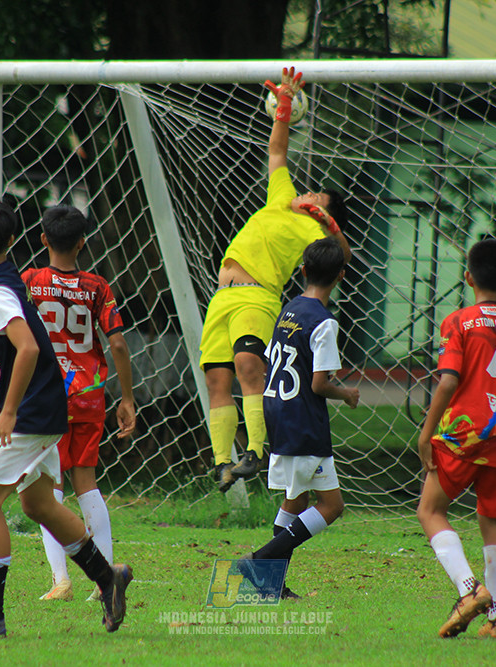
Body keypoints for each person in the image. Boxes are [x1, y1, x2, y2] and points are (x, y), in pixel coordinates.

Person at [0, 198, 132, 637]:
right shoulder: (11, 280)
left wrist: (9, 412)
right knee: (38, 504)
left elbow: (29, 348)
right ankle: (108, 578)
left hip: (33, 413)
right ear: (13, 240)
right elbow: (13, 342)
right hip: (54, 407)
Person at [201, 66, 353, 492]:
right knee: (216, 379)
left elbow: (345, 256)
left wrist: (328, 222)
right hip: (222, 297)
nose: (309, 193)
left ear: (323, 212)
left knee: (249, 366)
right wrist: (282, 111)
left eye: (318, 196)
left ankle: (255, 452)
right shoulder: (281, 197)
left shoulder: (316, 230)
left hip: (256, 297)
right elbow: (277, 153)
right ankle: (222, 463)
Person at [415, 238, 496, 639]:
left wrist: (426, 432)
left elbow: (448, 380)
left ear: (468, 277)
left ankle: (470, 591)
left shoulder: (458, 321)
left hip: (465, 435)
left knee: (430, 511)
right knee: (491, 519)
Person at [20, 205, 136, 602]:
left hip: (46, 397)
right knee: (87, 484)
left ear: (43, 239)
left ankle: (61, 581)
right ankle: (104, 578)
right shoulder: (98, 287)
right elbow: (117, 342)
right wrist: (127, 397)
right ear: (83, 241)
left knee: (47, 489)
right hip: (88, 395)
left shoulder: (31, 281)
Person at [236, 237, 359, 598]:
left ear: (303, 271)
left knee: (296, 500)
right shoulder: (324, 322)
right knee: (332, 506)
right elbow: (319, 383)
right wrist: (346, 393)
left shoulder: (289, 308)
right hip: (304, 419)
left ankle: (271, 584)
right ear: (340, 276)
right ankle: (259, 562)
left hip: (278, 411)